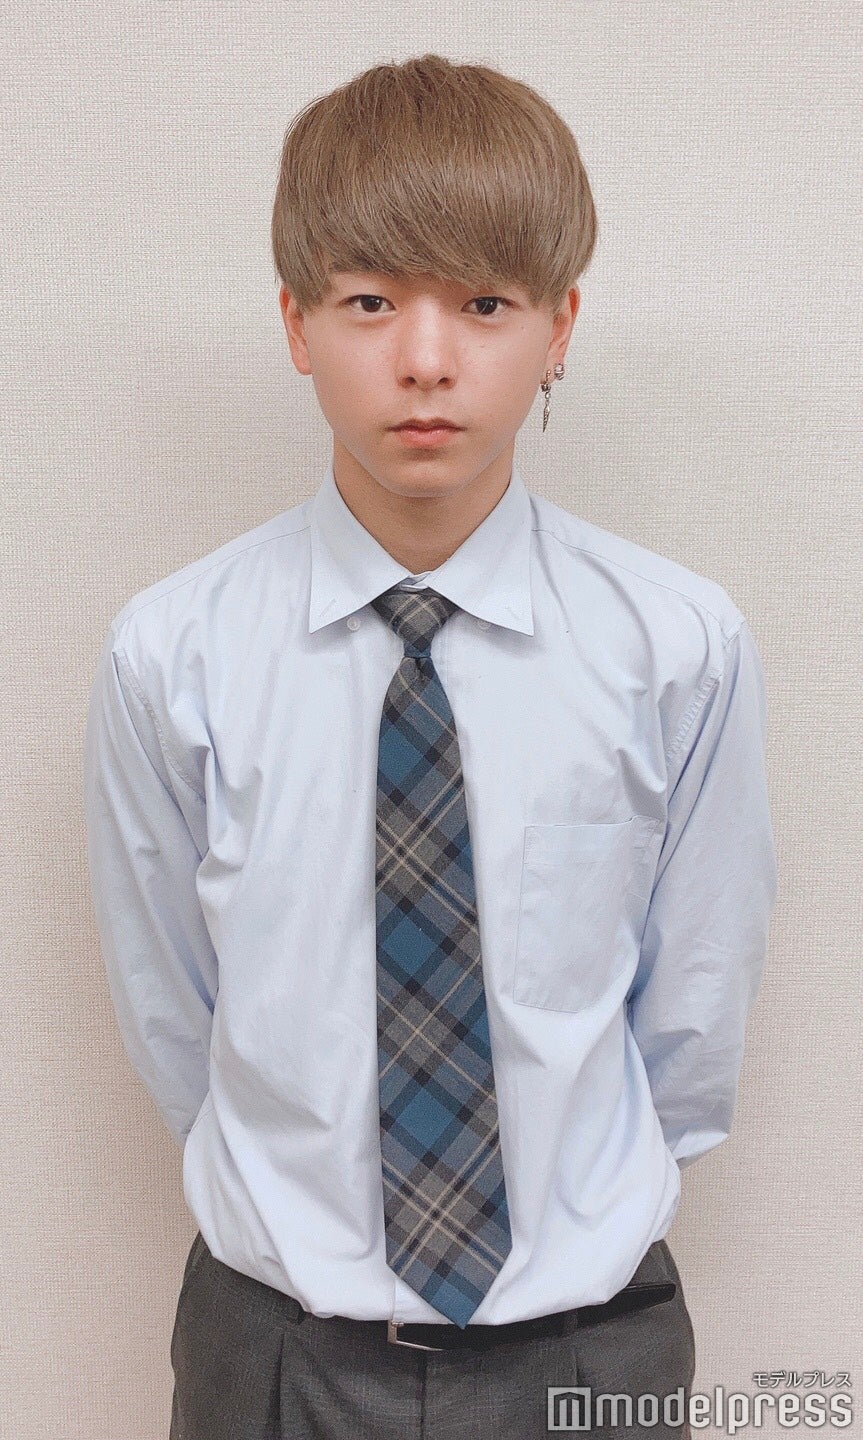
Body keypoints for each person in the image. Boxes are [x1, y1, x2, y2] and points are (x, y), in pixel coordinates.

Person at [82, 53, 778, 1440]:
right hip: (274, 1353)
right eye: (368, 301)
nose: (425, 359)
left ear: (561, 325)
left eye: (484, 303)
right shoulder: (172, 655)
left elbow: (693, 1013)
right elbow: (177, 1014)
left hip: (588, 1354)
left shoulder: (678, 646)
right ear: (295, 322)